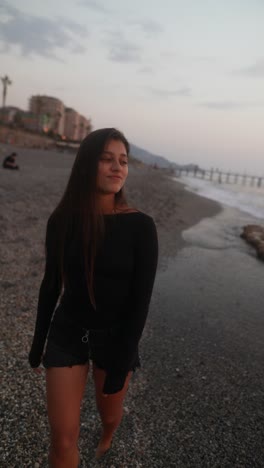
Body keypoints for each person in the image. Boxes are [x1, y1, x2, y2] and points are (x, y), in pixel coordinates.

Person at [28, 128, 158, 467]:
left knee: (109, 415)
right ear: (87, 164)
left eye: (123, 161)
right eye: (107, 159)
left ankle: (107, 434)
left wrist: (125, 356)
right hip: (68, 332)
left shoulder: (141, 227)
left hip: (115, 339)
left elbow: (139, 303)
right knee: (62, 439)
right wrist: (38, 340)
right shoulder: (62, 220)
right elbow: (51, 283)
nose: (117, 168)